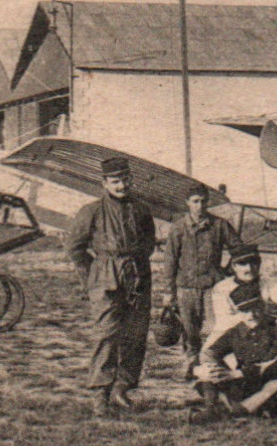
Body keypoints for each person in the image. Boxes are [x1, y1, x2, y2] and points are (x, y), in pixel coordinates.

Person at [65, 156, 158, 417]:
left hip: (137, 275)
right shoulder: (91, 211)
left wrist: (134, 264)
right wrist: (93, 277)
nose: (121, 186)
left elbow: (149, 241)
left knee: (136, 334)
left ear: (131, 180)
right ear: (104, 183)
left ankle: (122, 388)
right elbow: (75, 248)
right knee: (107, 334)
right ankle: (100, 392)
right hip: (106, 278)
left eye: (125, 180)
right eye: (115, 181)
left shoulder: (141, 209)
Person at [191, 283, 277, 423]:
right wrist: (211, 368)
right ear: (238, 312)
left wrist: (235, 374)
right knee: (205, 377)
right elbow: (210, 352)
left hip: (272, 384)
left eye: (255, 308)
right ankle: (214, 409)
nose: (251, 315)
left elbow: (273, 364)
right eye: (245, 311)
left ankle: (233, 411)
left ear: (263, 307)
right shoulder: (236, 332)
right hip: (248, 385)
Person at [162, 183, 241, 379]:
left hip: (212, 289)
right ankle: (191, 367)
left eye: (203, 201)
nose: (200, 206)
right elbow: (170, 261)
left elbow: (239, 251)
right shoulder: (179, 228)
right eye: (195, 201)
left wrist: (225, 274)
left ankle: (214, 368)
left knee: (217, 329)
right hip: (186, 288)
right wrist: (169, 292)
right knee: (190, 332)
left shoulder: (220, 225)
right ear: (187, 203)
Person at [208, 244, 277, 339]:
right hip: (226, 337)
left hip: (256, 337)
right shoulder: (222, 288)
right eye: (243, 264)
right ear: (234, 266)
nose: (249, 269)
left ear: (259, 264)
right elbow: (226, 321)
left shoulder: (265, 283)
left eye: (253, 263)